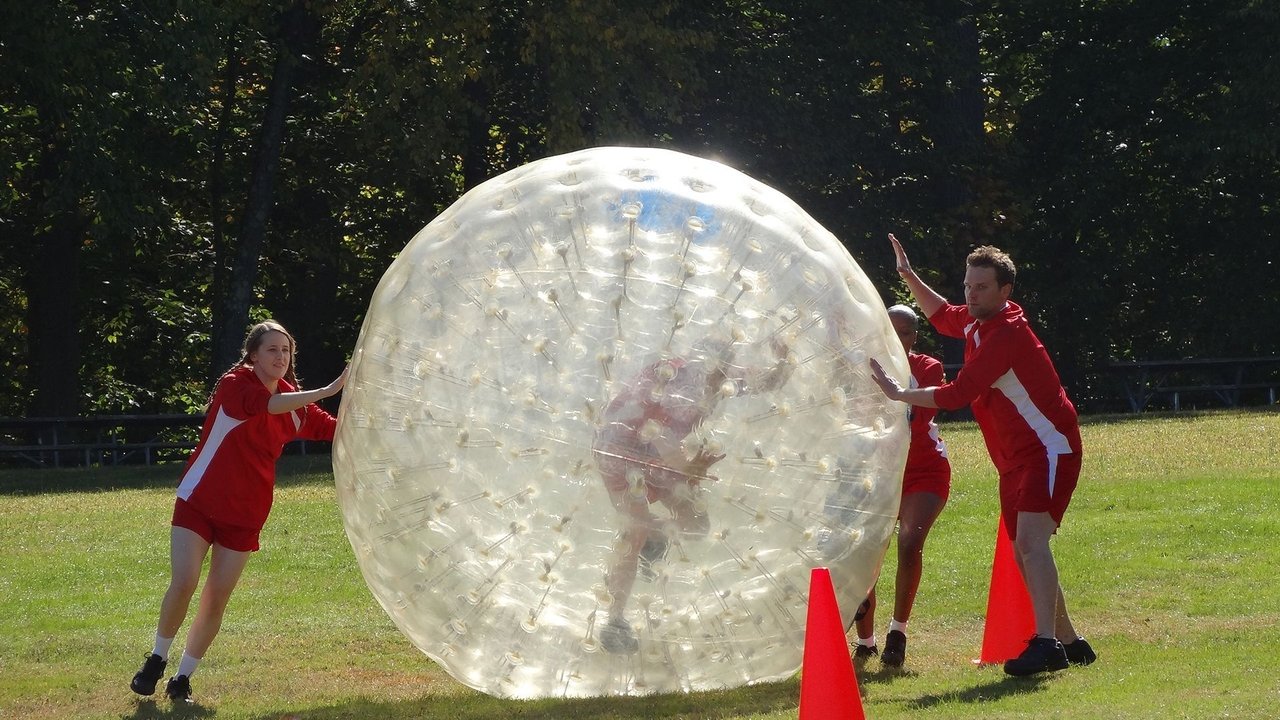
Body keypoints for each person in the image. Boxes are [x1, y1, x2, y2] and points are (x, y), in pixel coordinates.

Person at [868, 234, 1097, 676]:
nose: (971, 295)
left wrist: (900, 394)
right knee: (1023, 550)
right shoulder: (980, 320)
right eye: (968, 286)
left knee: (1030, 544)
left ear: (1004, 291)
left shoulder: (1005, 334)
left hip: (1047, 449)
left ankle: (1047, 645)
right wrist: (908, 276)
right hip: (1014, 457)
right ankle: (1071, 643)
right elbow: (942, 315)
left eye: (981, 288)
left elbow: (958, 394)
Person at [129, 320, 348, 701]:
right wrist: (328, 390)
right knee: (185, 581)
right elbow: (263, 405)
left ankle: (182, 678)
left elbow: (336, 429)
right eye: (272, 350)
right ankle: (156, 659)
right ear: (253, 355)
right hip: (199, 500)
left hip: (246, 514)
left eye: (286, 350)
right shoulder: (235, 385)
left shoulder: (295, 404)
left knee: (216, 598)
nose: (280, 357)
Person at [592, 335, 792, 654]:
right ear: (702, 366)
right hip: (620, 452)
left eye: (725, 371)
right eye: (718, 372)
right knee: (636, 530)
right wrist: (690, 467)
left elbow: (767, 382)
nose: (721, 381)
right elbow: (658, 435)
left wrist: (784, 359)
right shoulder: (678, 385)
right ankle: (614, 621)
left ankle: (654, 536)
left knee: (696, 525)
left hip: (662, 455)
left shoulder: (719, 377)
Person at [851, 304, 951, 670]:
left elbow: (914, 418)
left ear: (914, 337)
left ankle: (898, 633)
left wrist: (893, 386)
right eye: (889, 331)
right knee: (865, 552)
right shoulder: (862, 367)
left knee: (910, 541)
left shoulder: (927, 367)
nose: (896, 339)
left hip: (922, 471)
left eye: (905, 333)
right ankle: (865, 642)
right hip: (877, 472)